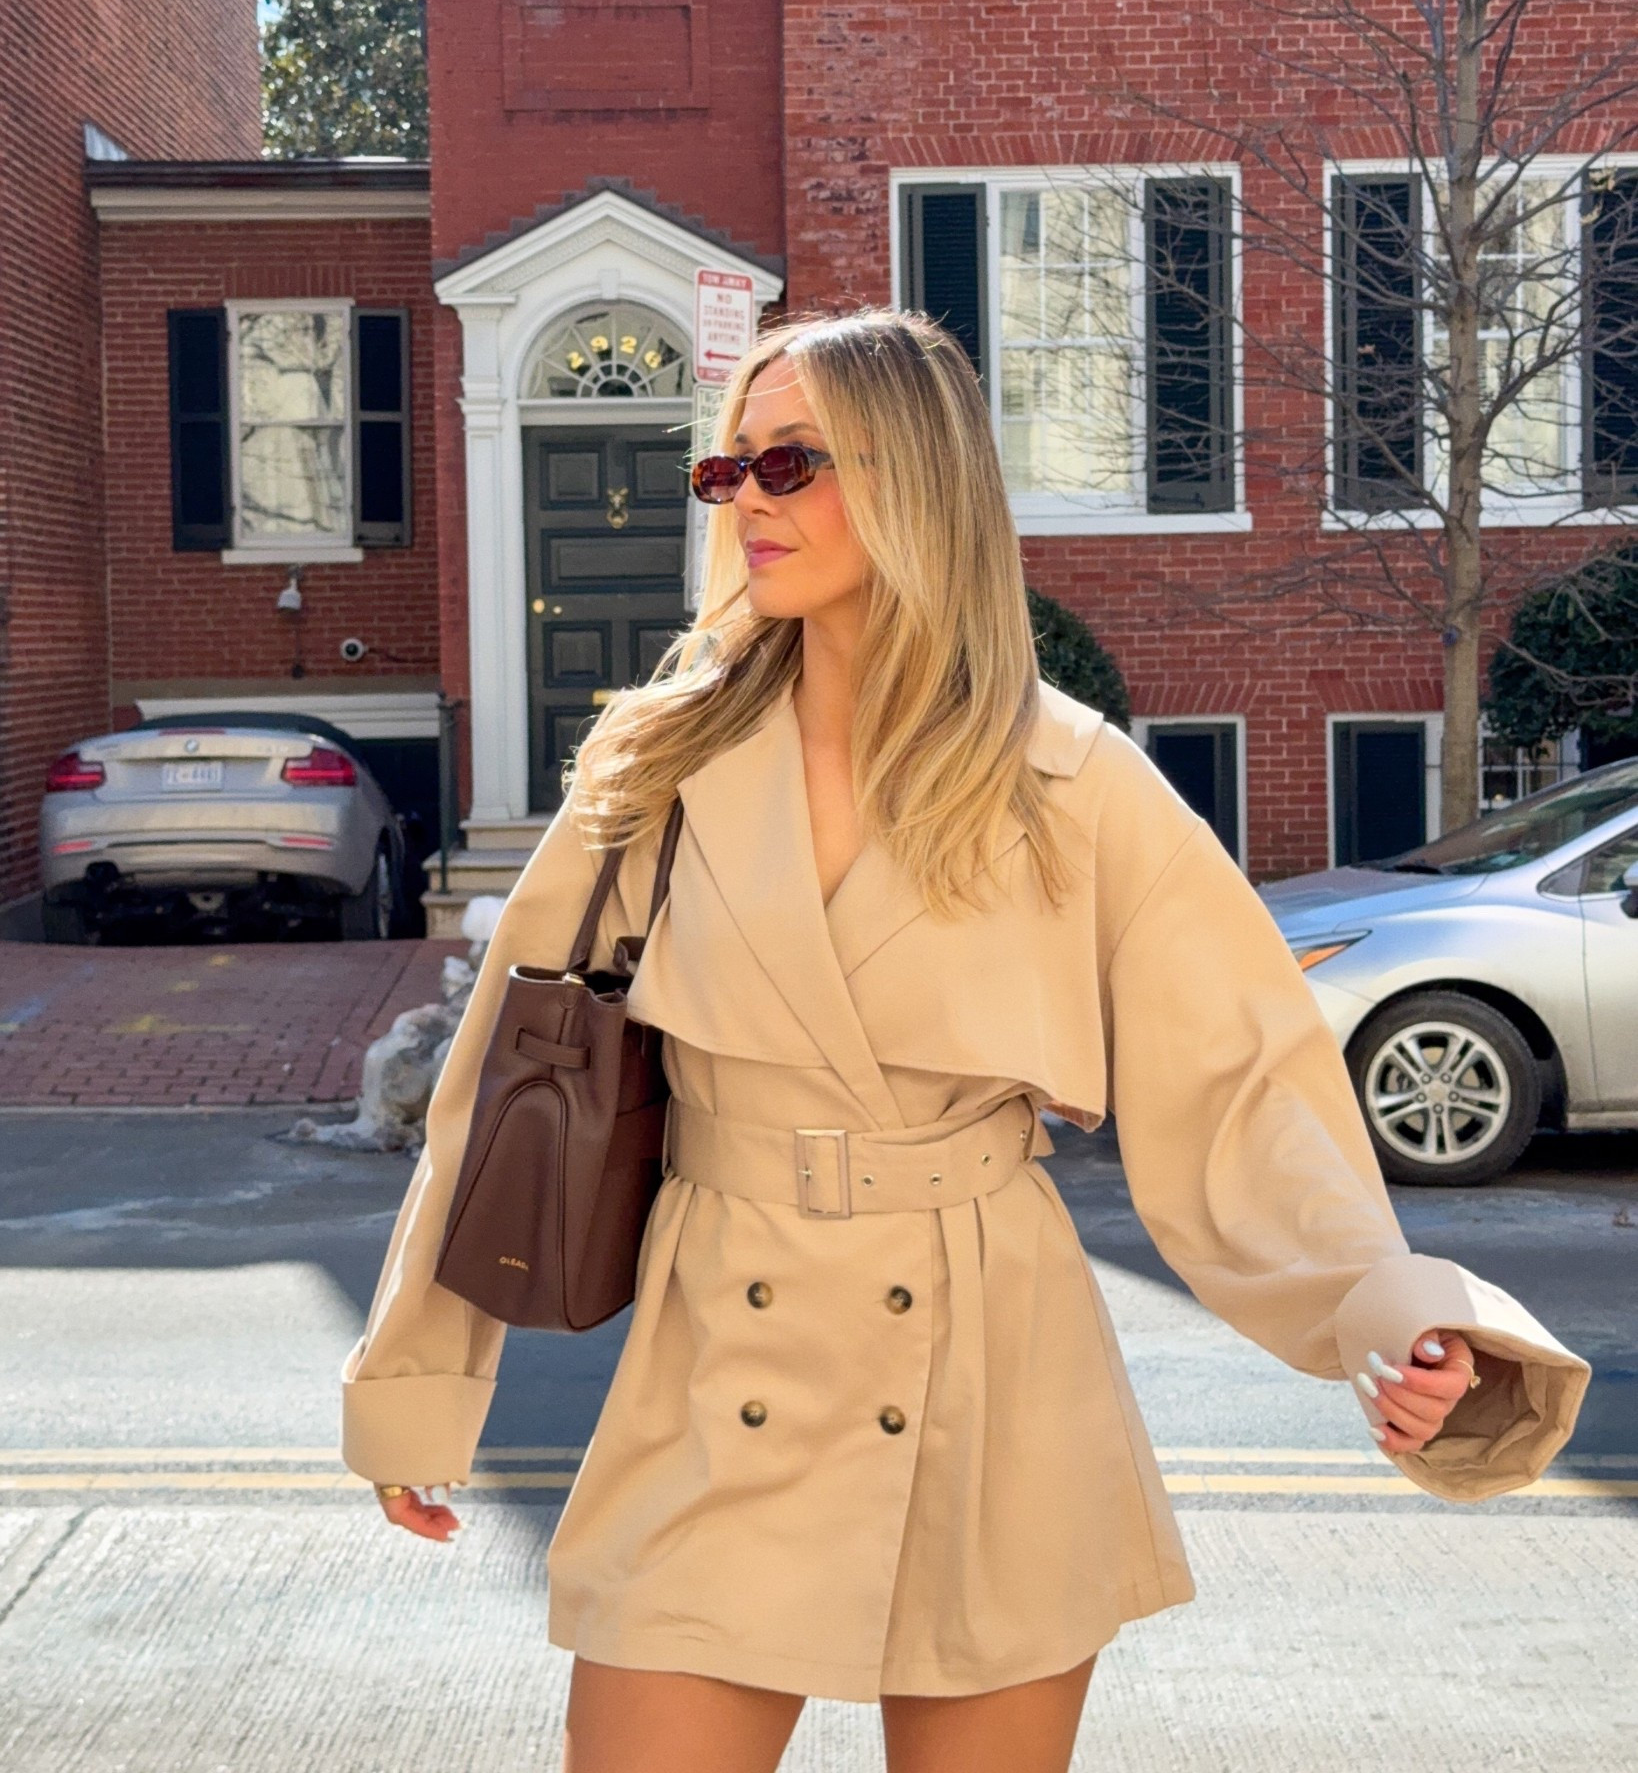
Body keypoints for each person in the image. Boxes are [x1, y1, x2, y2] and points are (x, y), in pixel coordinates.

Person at [340, 308, 1589, 1773]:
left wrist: (1389, 1317)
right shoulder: (656, 761)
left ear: (916, 476)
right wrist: (421, 1383)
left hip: (994, 1372)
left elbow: (1241, 1081)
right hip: (712, 1358)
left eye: (791, 463)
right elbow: (505, 1088)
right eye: (728, 468)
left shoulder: (1070, 777)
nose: (746, 498)